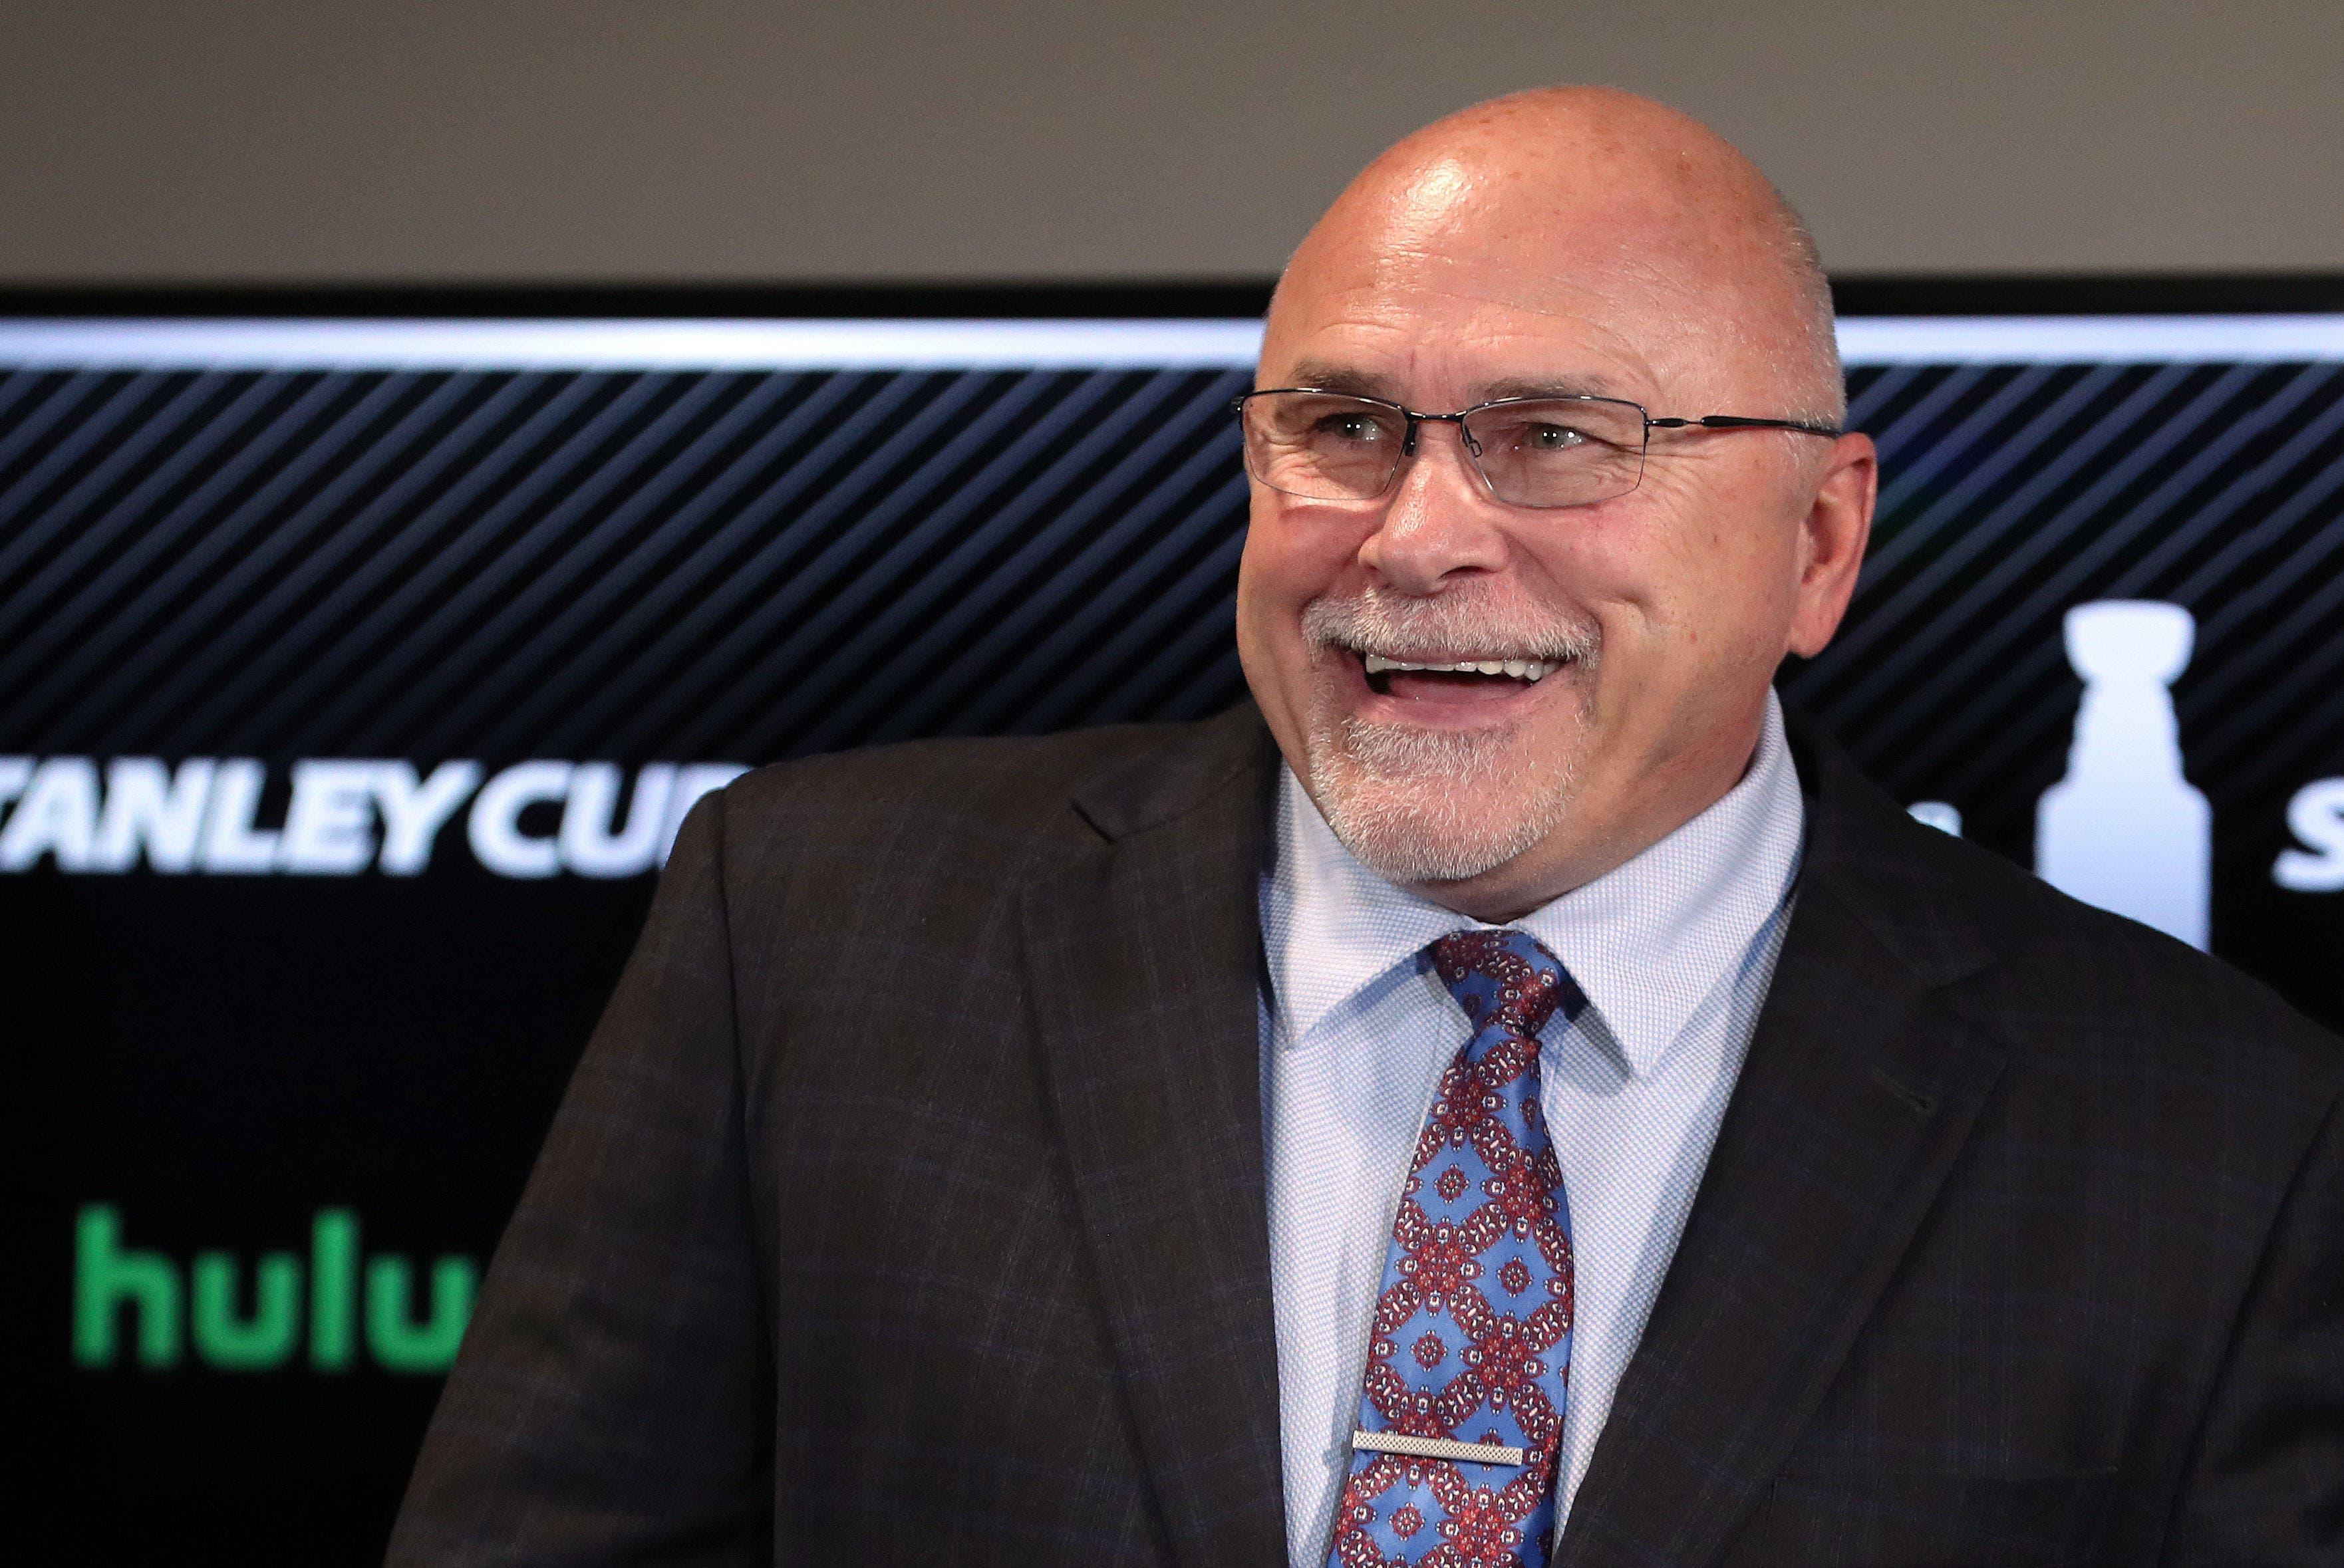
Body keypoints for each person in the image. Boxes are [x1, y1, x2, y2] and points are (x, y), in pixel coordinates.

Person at [388, 88, 2343, 1567]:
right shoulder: (817, 931)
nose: (1412, 537)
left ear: (1817, 541)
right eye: (1339, 430)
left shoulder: (2216, 1143)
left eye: (1555, 438)